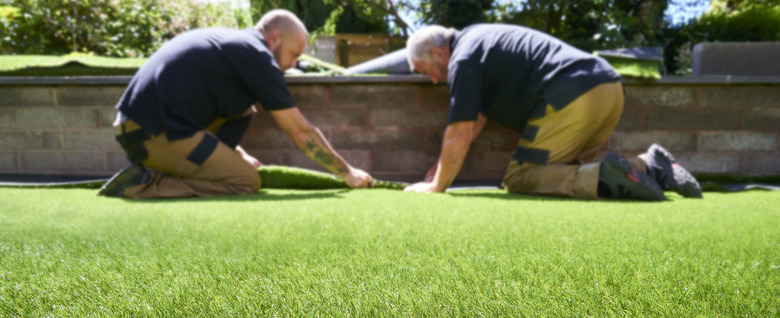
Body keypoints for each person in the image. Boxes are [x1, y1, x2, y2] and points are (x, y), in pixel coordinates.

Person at [403, 24, 702, 200]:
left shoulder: (464, 61)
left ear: (439, 53)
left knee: (522, 177)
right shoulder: (479, 41)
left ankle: (608, 175)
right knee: (564, 171)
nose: (431, 79)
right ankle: (650, 165)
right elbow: (474, 121)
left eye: (425, 71)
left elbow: (460, 132)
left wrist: (435, 186)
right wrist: (440, 167)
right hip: (608, 90)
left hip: (573, 96)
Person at [99, 9, 373, 198]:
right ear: (275, 38)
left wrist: (238, 153)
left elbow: (210, 105)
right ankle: (142, 185)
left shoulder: (236, 46)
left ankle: (167, 170)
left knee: (245, 108)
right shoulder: (256, 55)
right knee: (246, 181)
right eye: (293, 54)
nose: (293, 65)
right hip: (148, 134)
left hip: (145, 126)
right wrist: (347, 172)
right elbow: (300, 132)